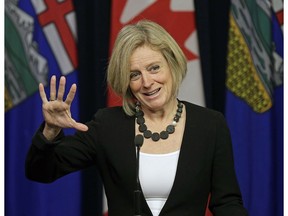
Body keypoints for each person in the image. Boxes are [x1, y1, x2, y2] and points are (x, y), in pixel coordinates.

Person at [26, 20, 248, 216]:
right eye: (135, 74)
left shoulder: (210, 125)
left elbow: (227, 203)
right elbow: (40, 171)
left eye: (154, 68)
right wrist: (50, 130)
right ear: (126, 82)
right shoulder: (108, 125)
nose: (147, 82)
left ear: (172, 64)